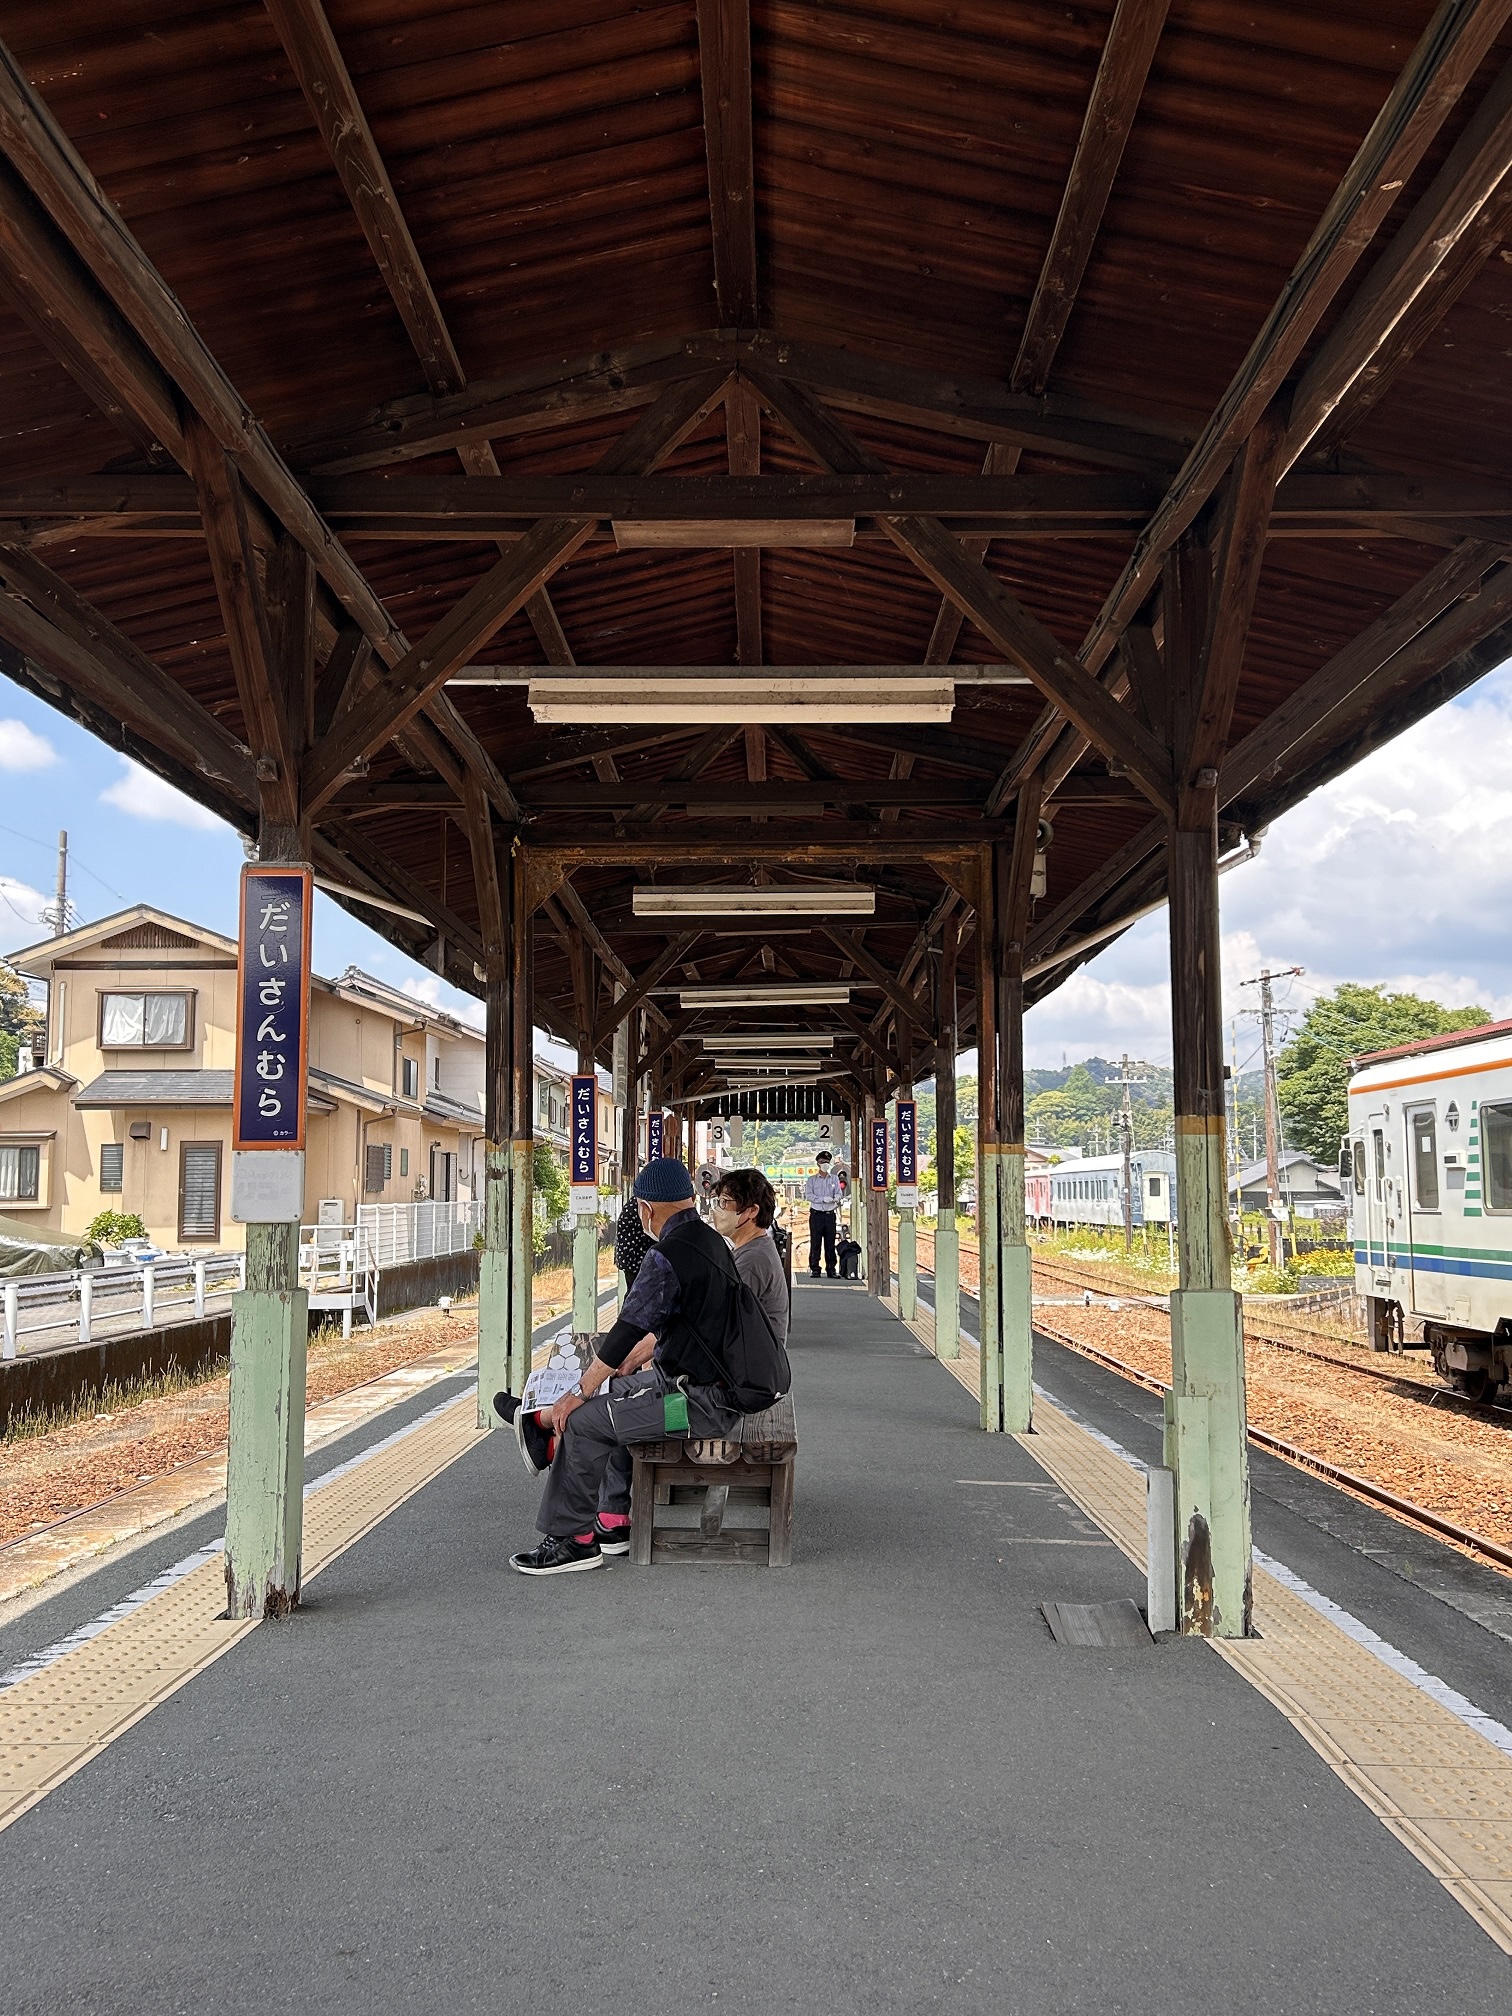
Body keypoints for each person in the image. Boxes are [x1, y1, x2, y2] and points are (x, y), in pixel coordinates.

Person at [508, 1157, 743, 1577]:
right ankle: (600, 1508)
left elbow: (626, 1329)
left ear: (646, 1209)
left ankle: (574, 1541)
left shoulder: (667, 1255)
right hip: (706, 1391)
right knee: (609, 1395)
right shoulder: (712, 1243)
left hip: (694, 1407)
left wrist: (579, 1391)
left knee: (585, 1420)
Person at [710, 1167, 788, 1345]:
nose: (719, 1209)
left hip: (750, 1358)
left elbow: (722, 1320)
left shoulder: (752, 1259)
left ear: (752, 1211)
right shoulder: (755, 1248)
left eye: (725, 1202)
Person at [803, 1149, 843, 1279]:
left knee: (830, 1243)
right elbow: (809, 1196)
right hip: (817, 1214)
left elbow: (839, 1193)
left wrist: (836, 1198)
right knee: (816, 1242)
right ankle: (815, 1269)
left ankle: (831, 1269)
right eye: (822, 1162)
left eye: (826, 1162)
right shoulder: (812, 1180)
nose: (824, 1164)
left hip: (830, 1214)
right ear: (818, 1164)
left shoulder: (834, 1179)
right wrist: (822, 1199)